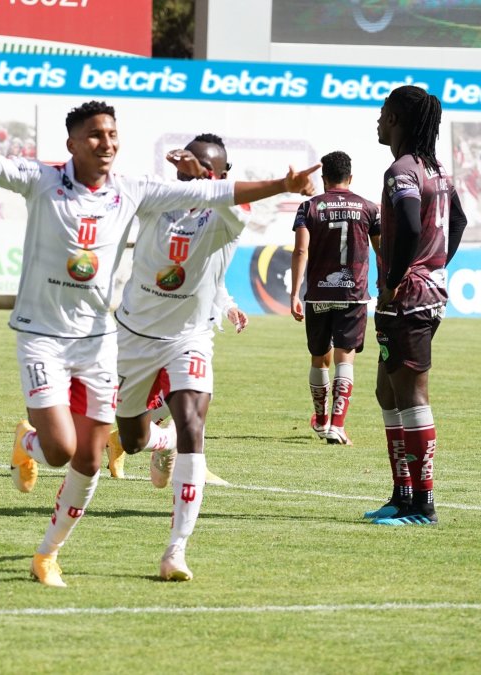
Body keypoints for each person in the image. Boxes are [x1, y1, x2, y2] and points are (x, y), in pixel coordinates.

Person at [0, 99, 319, 587]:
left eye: (112, 134)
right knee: (72, 449)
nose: (106, 142)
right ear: (72, 143)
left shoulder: (164, 200)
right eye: (95, 135)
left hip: (116, 341)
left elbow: (227, 191)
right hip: (61, 337)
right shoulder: (59, 183)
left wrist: (283, 185)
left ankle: (82, 553)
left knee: (113, 451)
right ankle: (27, 441)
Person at [106, 133, 312, 581]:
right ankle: (159, 442)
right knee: (135, 438)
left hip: (190, 337)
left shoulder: (227, 215)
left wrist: (271, 184)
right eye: (188, 161)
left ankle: (175, 551)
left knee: (193, 426)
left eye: (204, 166)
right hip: (134, 334)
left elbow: (232, 208)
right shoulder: (157, 199)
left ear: (219, 175)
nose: (192, 168)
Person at [365, 85, 468, 526]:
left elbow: (407, 222)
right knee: (386, 392)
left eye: (384, 112)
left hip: (408, 298)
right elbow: (458, 221)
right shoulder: (436, 170)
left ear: (398, 121)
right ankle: (401, 494)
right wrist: (436, 264)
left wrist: (395, 278)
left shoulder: (403, 170)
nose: (378, 119)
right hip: (423, 295)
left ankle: (422, 504)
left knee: (411, 396)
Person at [289, 150, 381, 445]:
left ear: (324, 178)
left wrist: (294, 293)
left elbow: (301, 250)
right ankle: (337, 425)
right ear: (350, 177)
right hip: (353, 294)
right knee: (345, 358)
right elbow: (382, 251)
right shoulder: (369, 208)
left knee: (319, 358)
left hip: (318, 294)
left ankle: (319, 419)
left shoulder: (309, 207)